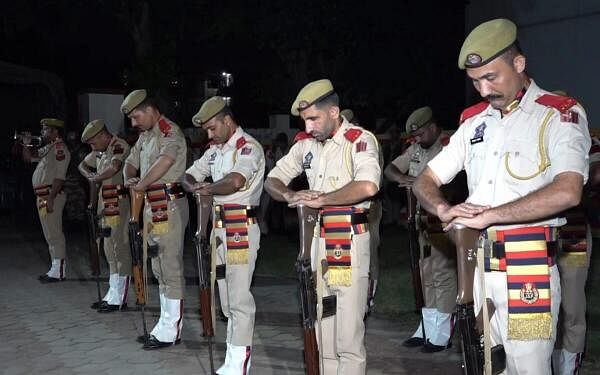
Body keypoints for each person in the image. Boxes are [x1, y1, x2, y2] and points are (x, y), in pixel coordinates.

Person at [413, 18, 591, 374]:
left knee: (528, 369)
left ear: (519, 64)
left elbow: (569, 190)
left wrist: (491, 214)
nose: (482, 90)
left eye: (491, 77)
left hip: (528, 266)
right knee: (482, 366)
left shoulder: (558, 114)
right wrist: (443, 207)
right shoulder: (474, 121)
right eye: (475, 81)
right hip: (476, 268)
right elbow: (425, 180)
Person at [265, 79, 381, 374]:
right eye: (304, 120)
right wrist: (290, 194)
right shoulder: (305, 145)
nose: (308, 126)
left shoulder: (359, 140)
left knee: (348, 332)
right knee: (322, 322)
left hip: (349, 240)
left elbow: (367, 185)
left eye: (313, 118)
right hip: (316, 240)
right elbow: (272, 180)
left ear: (334, 112)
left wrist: (323, 200)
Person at [183, 96, 265, 374]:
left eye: (212, 128)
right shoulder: (214, 151)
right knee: (226, 296)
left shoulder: (248, 148)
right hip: (218, 230)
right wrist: (195, 186)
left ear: (227, 121)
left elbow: (235, 181)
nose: (209, 134)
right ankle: (233, 356)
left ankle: (239, 362)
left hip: (240, 228)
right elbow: (188, 175)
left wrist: (206, 189)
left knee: (239, 296)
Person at [121, 89, 189, 350]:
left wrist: (141, 184)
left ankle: (171, 329)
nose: (134, 123)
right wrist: (129, 178)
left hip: (168, 204)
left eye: (137, 117)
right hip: (151, 205)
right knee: (158, 266)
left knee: (169, 266)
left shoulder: (169, 131)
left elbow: (165, 161)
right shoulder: (145, 137)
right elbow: (130, 161)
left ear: (150, 110)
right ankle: (164, 325)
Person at [384, 106, 456, 352]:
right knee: (425, 273)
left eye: (421, 134)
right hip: (420, 221)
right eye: (414, 137)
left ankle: (444, 330)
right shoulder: (416, 149)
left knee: (443, 273)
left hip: (442, 220)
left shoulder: (449, 145)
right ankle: (429, 326)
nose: (416, 140)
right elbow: (390, 170)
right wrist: (403, 179)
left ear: (434, 127)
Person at [552, 132, 600, 374]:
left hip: (574, 229)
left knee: (571, 302)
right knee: (547, 300)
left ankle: (570, 361)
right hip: (543, 230)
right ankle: (551, 357)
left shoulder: (584, 141)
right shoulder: (537, 138)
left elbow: (596, 175)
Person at [78, 119, 132, 313]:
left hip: (118, 202)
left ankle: (120, 297)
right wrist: (89, 176)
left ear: (103, 135)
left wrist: (96, 177)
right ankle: (112, 292)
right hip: (104, 203)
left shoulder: (119, 145)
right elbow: (81, 166)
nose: (92, 147)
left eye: (93, 143)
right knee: (109, 249)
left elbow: (115, 167)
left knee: (120, 247)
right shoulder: (100, 151)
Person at [341, 108, 382, 315]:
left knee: (369, 251)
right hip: (343, 209)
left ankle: (368, 297)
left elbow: (371, 182)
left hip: (368, 208)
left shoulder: (366, 142)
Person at [22, 118, 71, 283]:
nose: (42, 133)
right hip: (43, 196)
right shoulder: (49, 148)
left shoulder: (59, 148)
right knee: (49, 234)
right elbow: (29, 158)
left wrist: (50, 198)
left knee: (55, 233)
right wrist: (26, 144)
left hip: (52, 195)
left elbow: (60, 176)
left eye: (45, 130)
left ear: (55, 131)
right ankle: (55, 267)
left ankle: (59, 270)